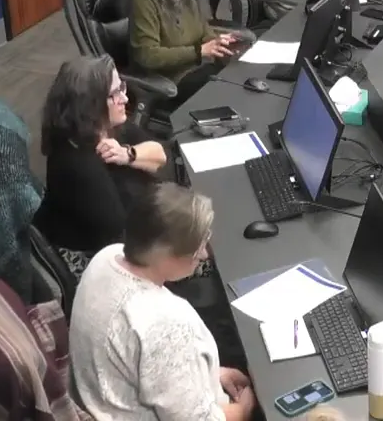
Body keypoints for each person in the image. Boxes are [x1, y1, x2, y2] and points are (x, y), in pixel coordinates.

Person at [69, 184, 257, 421]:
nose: (204, 255)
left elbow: (150, 364)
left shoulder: (106, 257)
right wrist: (245, 408)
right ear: (168, 255)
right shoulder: (165, 324)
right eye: (197, 248)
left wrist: (208, 373)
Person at [31, 56, 170, 278]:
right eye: (115, 93)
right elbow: (120, 239)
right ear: (90, 105)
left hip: (133, 237)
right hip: (98, 262)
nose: (125, 98)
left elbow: (160, 155)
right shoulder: (77, 164)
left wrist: (128, 154)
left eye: (122, 87)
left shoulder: (108, 127)